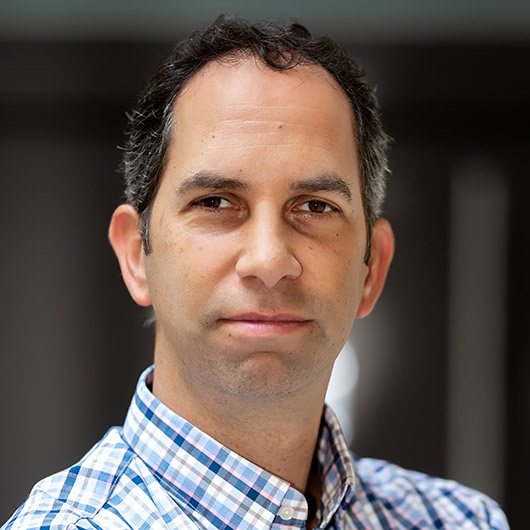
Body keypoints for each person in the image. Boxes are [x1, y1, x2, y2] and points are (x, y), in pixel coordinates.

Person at [3, 15, 509, 530]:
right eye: (215, 201)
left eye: (314, 206)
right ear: (137, 255)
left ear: (372, 268)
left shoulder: (462, 521)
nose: (269, 261)